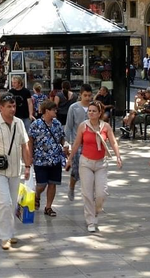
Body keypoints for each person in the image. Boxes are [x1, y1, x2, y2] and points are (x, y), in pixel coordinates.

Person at [0, 93, 33, 250]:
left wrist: (28, 166)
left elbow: (25, 146)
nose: (12, 109)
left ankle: (10, 232)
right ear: (0, 108)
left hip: (16, 169)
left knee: (13, 203)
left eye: (14, 106)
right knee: (4, 203)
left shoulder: (19, 123)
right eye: (8, 106)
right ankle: (4, 237)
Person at [66, 100, 122, 231]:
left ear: (99, 113)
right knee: (87, 193)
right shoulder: (83, 126)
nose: (91, 113)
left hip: (101, 163)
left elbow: (113, 142)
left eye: (94, 111)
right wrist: (70, 158)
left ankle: (97, 209)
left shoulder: (106, 126)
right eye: (89, 111)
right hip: (85, 162)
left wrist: (118, 156)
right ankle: (90, 221)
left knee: (101, 193)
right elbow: (76, 143)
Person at [28, 99, 67, 217]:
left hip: (55, 158)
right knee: (41, 184)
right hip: (40, 159)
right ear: (46, 111)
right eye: (53, 109)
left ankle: (48, 207)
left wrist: (65, 145)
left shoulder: (57, 124)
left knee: (53, 183)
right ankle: (37, 195)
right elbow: (30, 141)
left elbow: (61, 138)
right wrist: (29, 156)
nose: (56, 111)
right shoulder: (36, 124)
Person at [64, 84, 94, 201]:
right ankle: (71, 186)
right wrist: (66, 142)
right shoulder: (74, 108)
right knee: (76, 170)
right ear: (80, 95)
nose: (87, 98)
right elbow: (69, 126)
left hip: (91, 144)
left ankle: (89, 193)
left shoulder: (94, 107)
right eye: (85, 95)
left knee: (90, 170)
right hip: (78, 143)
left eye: (89, 95)